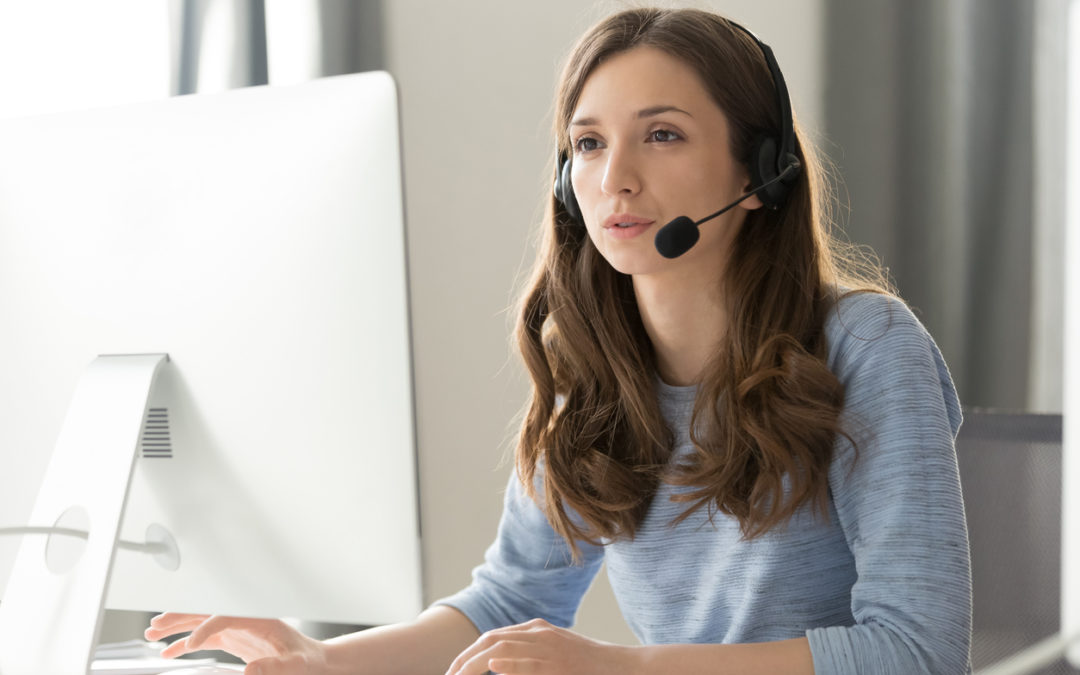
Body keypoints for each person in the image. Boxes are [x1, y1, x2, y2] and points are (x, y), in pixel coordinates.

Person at [145, 7, 972, 674]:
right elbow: (507, 601)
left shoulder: (866, 345)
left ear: (761, 172)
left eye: (663, 134)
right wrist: (323, 657)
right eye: (587, 143)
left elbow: (915, 651)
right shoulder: (597, 382)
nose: (615, 177)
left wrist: (626, 668)